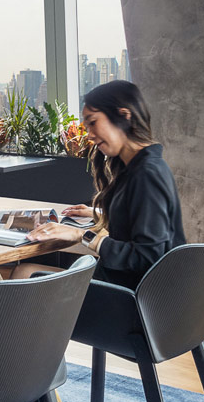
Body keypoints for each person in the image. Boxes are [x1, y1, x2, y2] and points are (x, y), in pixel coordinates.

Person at [22, 80, 186, 289]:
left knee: (24, 273)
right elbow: (140, 218)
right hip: (129, 291)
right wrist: (97, 212)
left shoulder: (147, 175)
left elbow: (148, 257)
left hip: (124, 299)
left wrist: (82, 235)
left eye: (93, 122)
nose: (89, 134)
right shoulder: (143, 167)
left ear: (124, 116)